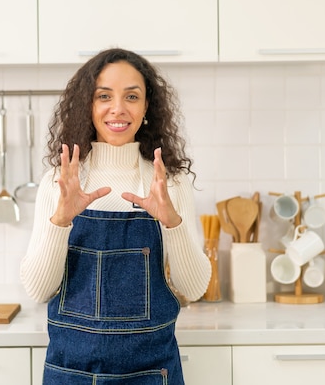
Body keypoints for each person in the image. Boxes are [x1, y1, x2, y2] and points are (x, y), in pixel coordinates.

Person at [20, 48, 211, 384]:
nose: (118, 108)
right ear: (88, 105)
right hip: (71, 371)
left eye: (132, 96)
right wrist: (60, 220)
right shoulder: (61, 181)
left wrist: (172, 222)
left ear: (147, 106)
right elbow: (37, 289)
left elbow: (193, 288)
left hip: (151, 372)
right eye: (104, 96)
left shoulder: (167, 181)